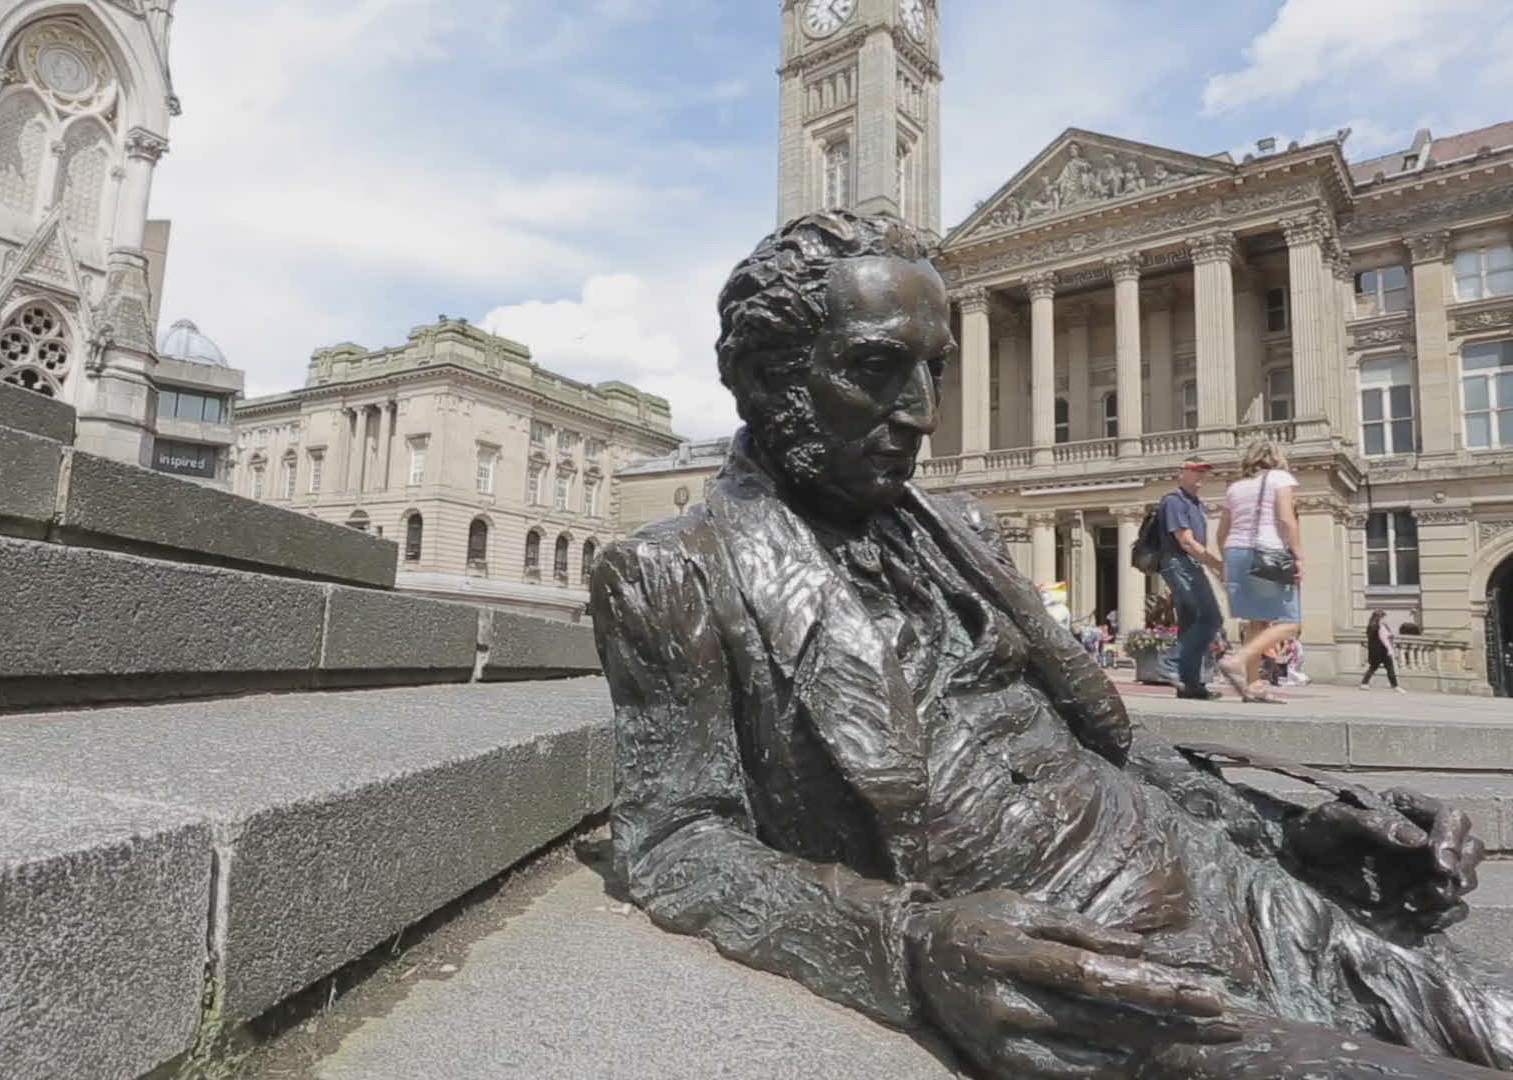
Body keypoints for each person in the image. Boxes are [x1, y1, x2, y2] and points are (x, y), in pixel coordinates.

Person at [591, 210, 1501, 1079]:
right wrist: (907, 946)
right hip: (1081, 966)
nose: (921, 413)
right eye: (874, 368)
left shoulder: (963, 530)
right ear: (762, 378)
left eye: (932, 371)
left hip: (1230, 883)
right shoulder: (672, 569)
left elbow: (1103, 742)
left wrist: (1290, 830)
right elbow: (670, 842)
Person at [1216, 441, 1303, 705]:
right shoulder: (1280, 478)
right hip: (1268, 551)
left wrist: (1227, 562)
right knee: (1290, 622)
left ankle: (1254, 685)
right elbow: (1287, 520)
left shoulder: (1235, 488)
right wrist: (1298, 555)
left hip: (1235, 551)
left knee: (1256, 622)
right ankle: (1236, 660)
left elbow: (1221, 532)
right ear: (1276, 458)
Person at [1157, 457, 1228, 700]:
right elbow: (1186, 541)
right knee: (1210, 617)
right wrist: (1218, 565)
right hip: (1180, 564)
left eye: (1204, 472)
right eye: (1196, 471)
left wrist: (1212, 566)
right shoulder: (1174, 501)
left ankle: (1189, 683)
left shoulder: (1196, 503)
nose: (1201, 476)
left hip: (1190, 565)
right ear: (1181, 473)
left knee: (1191, 623)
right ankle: (1171, 664)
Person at [1363, 609, 1405, 693]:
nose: (1385, 619)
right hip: (1383, 651)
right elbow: (1384, 640)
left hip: (1377, 651)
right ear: (1380, 617)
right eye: (1384, 617)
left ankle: (1364, 683)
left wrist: (1390, 635)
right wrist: (1389, 649)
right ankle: (1395, 686)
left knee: (1373, 668)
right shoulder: (1379, 627)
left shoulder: (1373, 627)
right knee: (1389, 668)